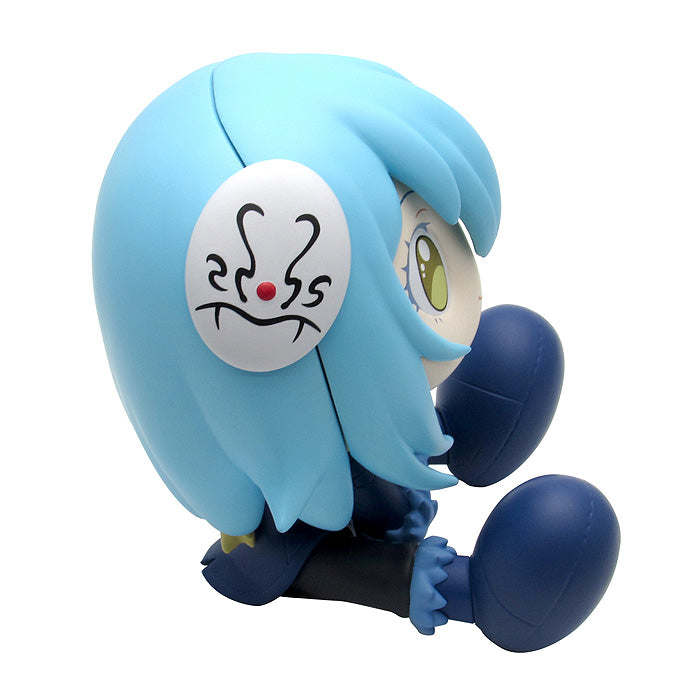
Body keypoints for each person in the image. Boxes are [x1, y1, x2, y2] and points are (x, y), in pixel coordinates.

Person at [94, 54, 619, 651]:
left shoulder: (337, 416)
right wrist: (431, 583)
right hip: (321, 531)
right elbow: (310, 564)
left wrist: (425, 436)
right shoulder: (270, 525)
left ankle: (455, 444)